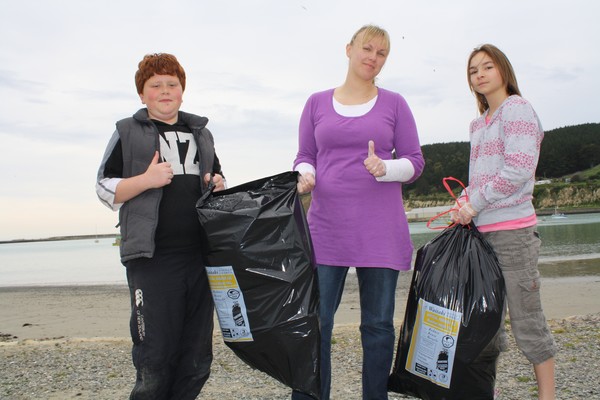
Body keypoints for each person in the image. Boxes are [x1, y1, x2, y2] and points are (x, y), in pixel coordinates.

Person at [292, 25, 425, 400]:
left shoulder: (395, 103)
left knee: (379, 326)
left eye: (381, 53)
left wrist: (386, 167)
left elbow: (415, 162)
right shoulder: (316, 103)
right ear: (349, 49)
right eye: (367, 48)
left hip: (379, 230)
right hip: (326, 229)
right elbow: (306, 156)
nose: (373, 57)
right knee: (317, 323)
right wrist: (306, 176)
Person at [96, 53, 226, 399]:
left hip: (200, 258)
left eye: (172, 84)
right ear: (142, 94)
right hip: (152, 259)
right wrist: (146, 179)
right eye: (156, 85)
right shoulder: (128, 131)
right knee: (155, 356)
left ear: (183, 91)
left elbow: (216, 177)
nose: (165, 90)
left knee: (198, 358)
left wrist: (217, 182)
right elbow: (104, 187)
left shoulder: (202, 132)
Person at [453, 44, 557, 399]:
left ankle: (548, 396)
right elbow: (479, 179)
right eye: (473, 71)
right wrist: (463, 201)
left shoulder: (518, 109)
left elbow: (518, 170)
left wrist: (475, 202)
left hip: (514, 236)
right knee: (485, 325)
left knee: (528, 322)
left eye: (487, 67)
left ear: (503, 70)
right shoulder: (477, 124)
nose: (480, 74)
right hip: (482, 238)